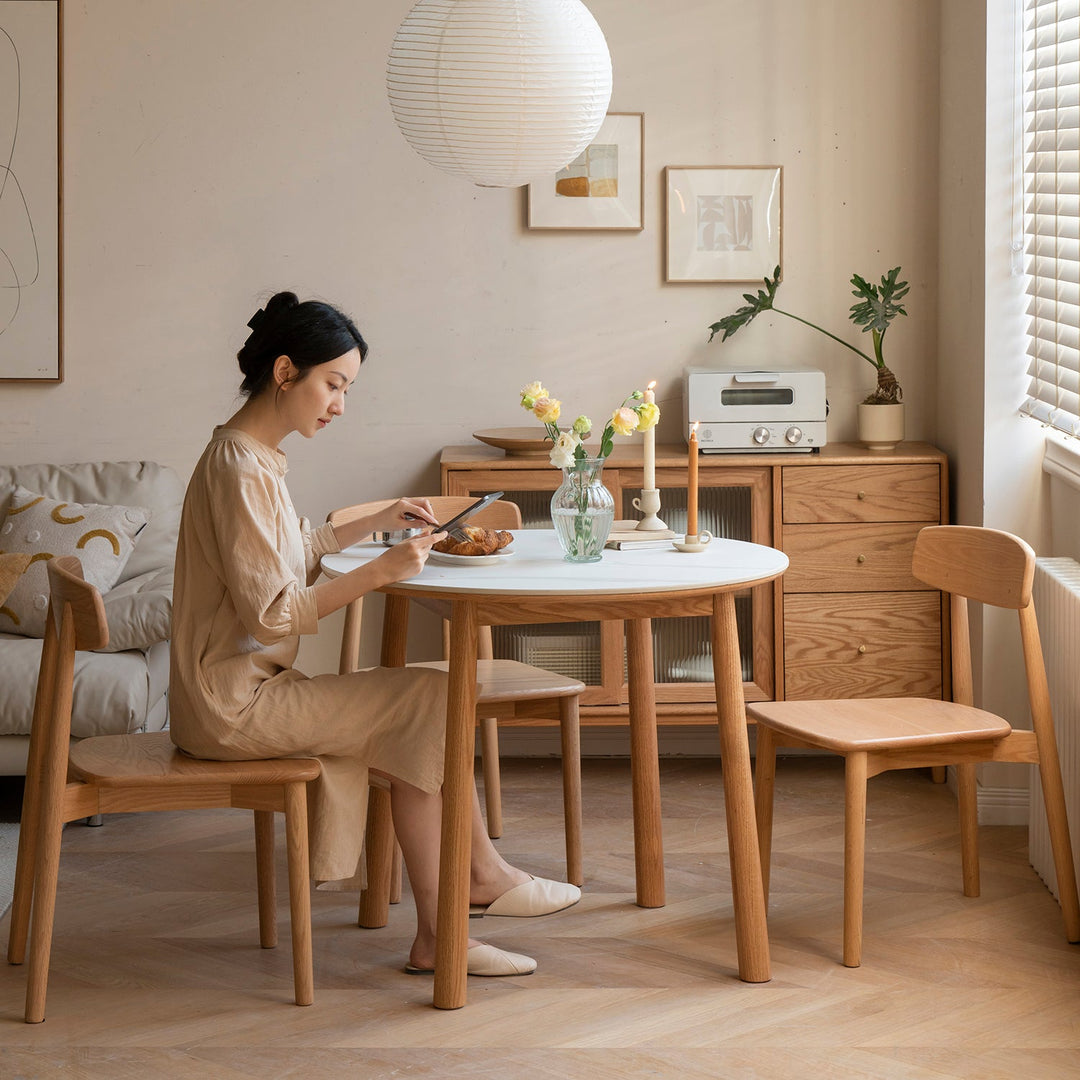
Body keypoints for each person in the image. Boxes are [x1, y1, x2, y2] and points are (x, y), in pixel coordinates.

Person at [170, 290, 579, 978]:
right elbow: (270, 613)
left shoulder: (252, 458)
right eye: (334, 384)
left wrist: (379, 520)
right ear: (285, 372)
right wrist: (383, 569)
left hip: (241, 690)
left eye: (346, 389)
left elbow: (293, 549)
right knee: (425, 699)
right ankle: (471, 894)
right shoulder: (239, 467)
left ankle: (453, 917)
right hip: (229, 705)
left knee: (420, 707)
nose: (338, 404)